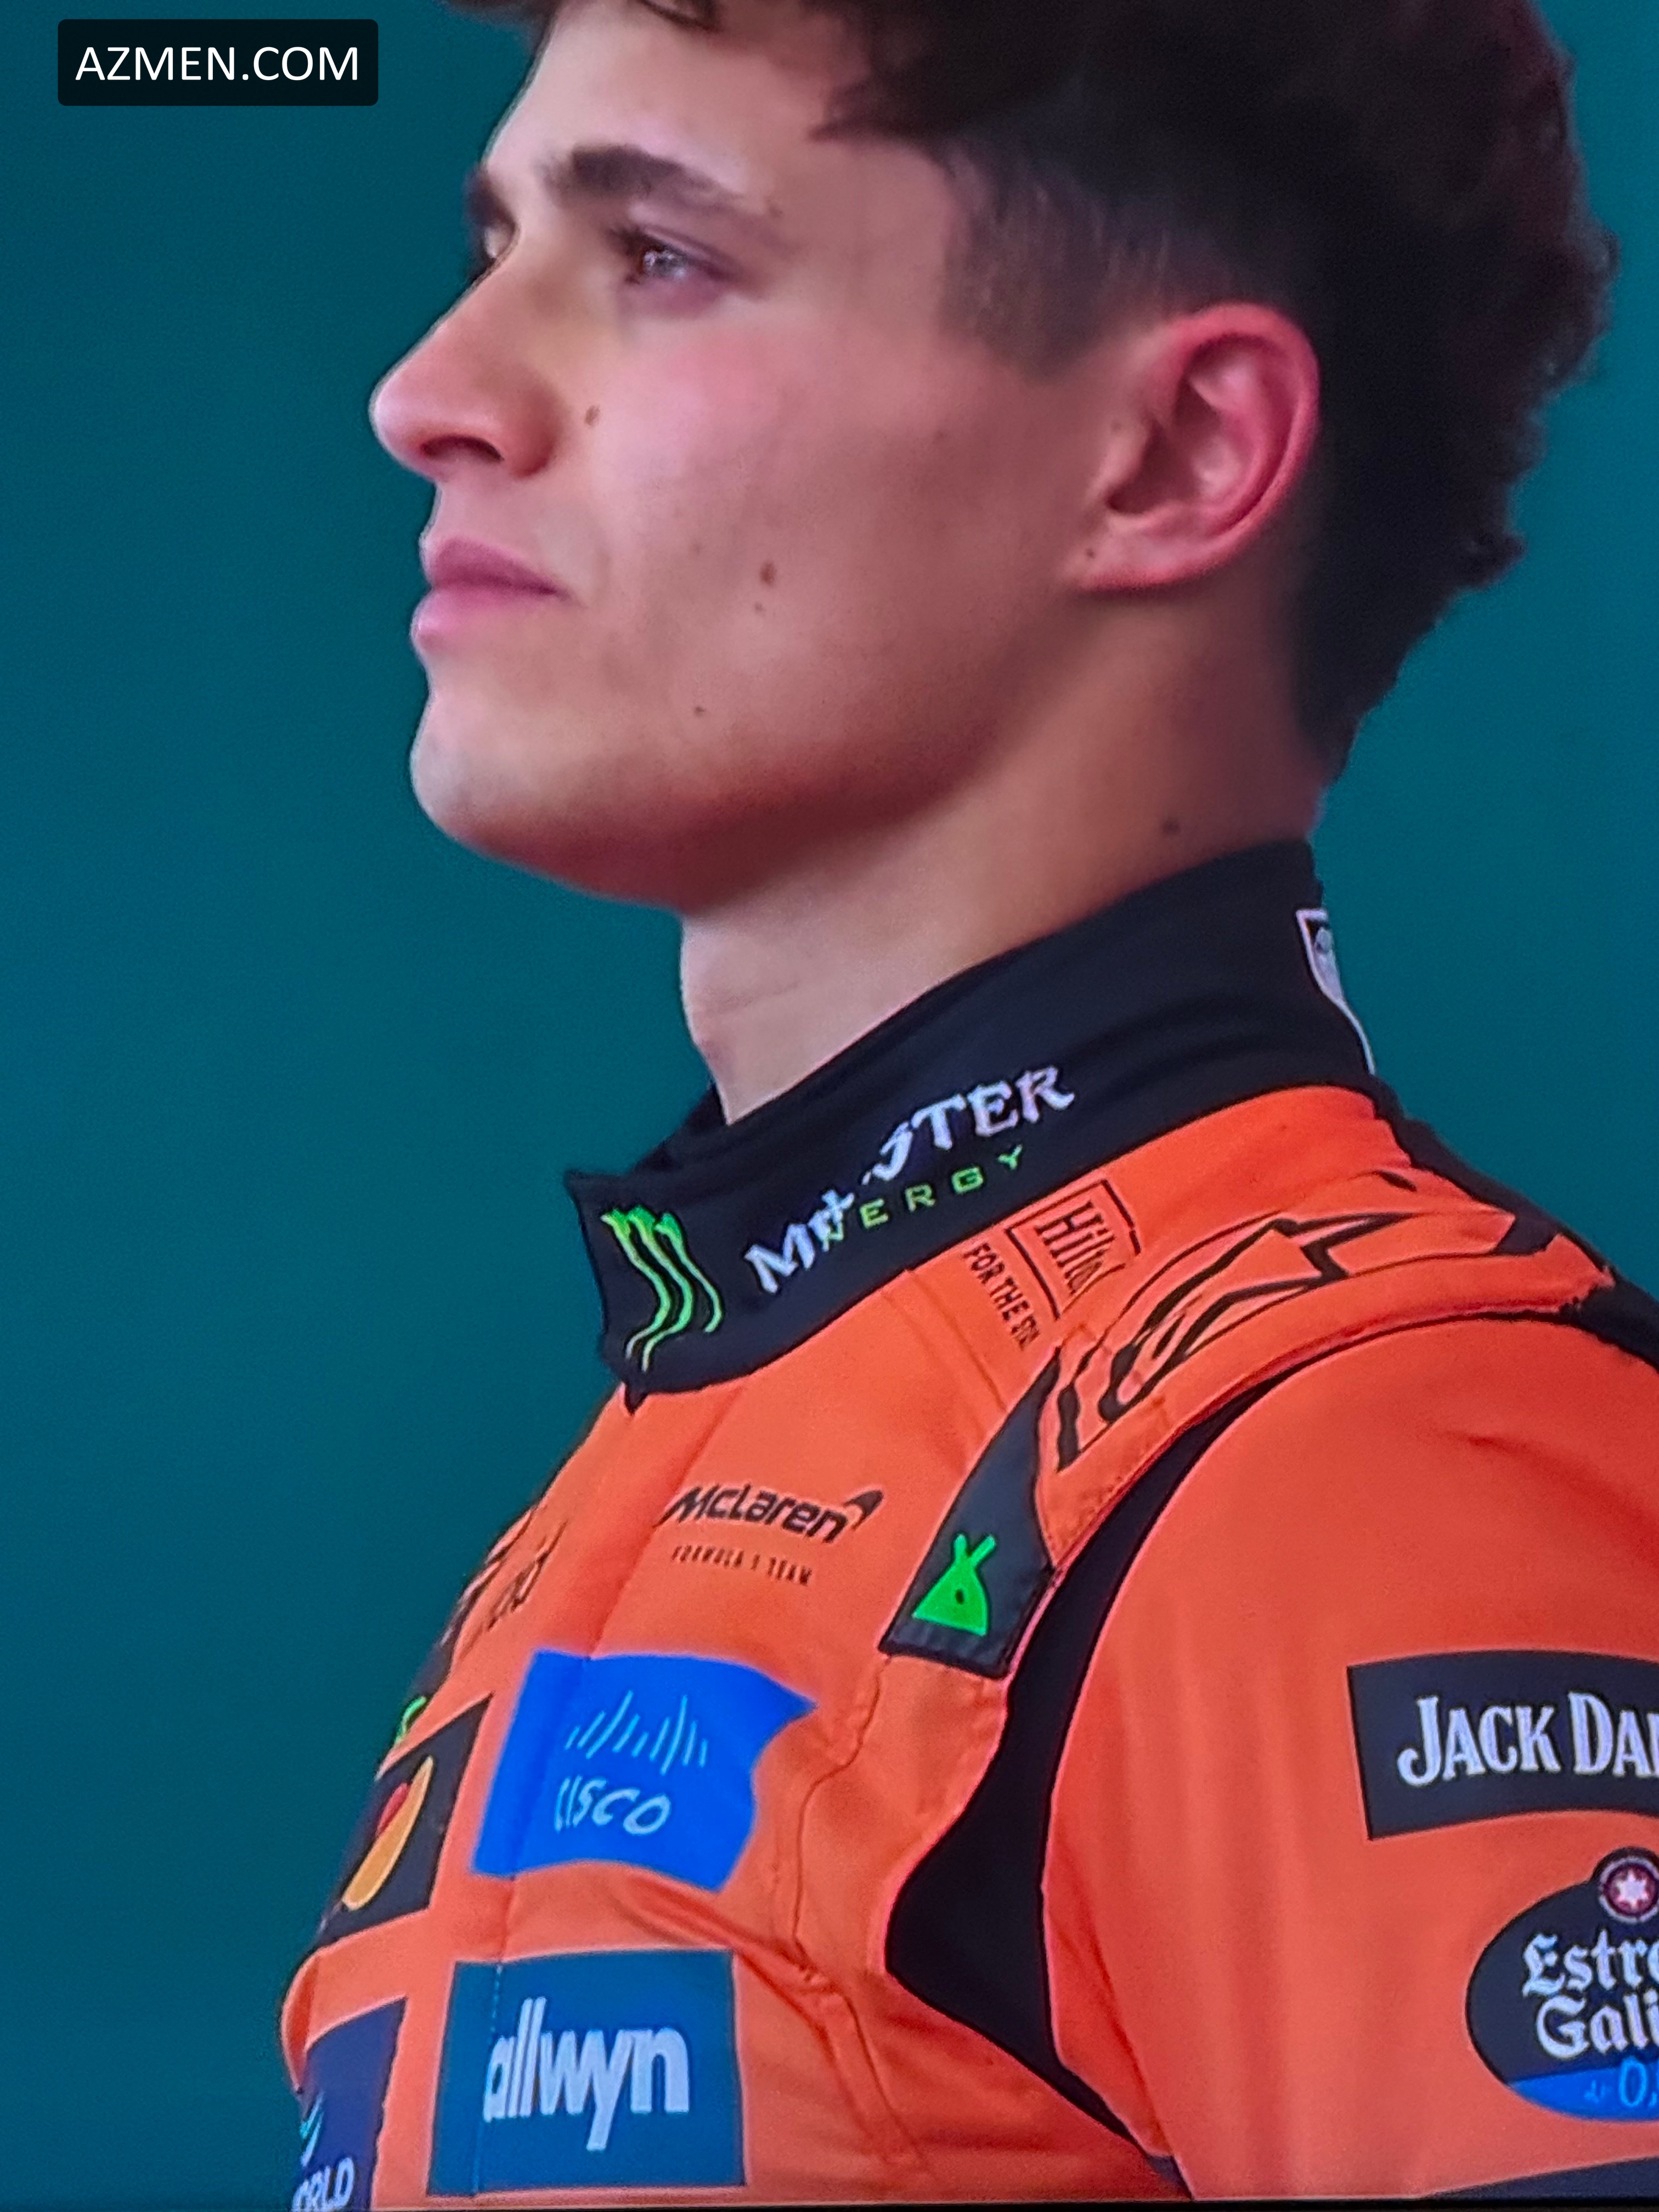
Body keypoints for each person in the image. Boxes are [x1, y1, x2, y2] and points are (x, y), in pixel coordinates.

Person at [279, 0, 1659, 2200]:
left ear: (1176, 453)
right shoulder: (700, 1430)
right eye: (497, 242)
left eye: (662, 258)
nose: (431, 392)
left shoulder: (1356, 1459)